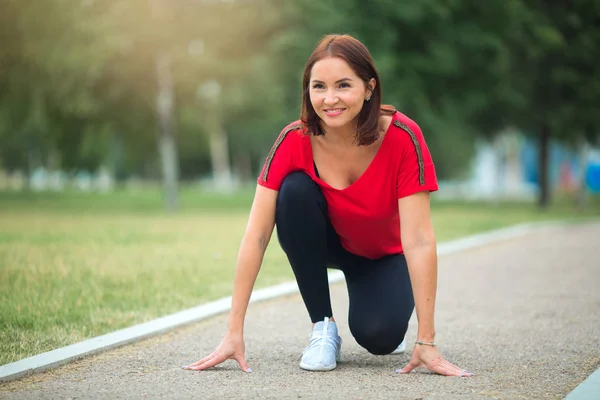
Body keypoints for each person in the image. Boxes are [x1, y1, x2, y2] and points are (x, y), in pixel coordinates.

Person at [184, 34, 473, 377]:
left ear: (369, 88)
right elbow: (257, 236)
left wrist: (426, 342)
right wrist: (233, 333)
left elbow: (420, 239)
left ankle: (384, 316)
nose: (330, 98)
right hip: (328, 243)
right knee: (293, 192)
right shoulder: (294, 138)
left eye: (343, 85)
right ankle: (323, 326)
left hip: (382, 255)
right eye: (318, 86)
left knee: (379, 337)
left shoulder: (403, 137)